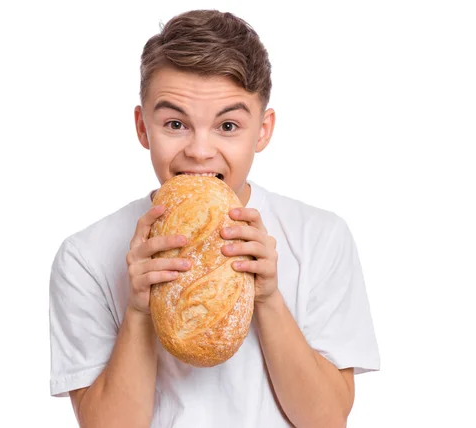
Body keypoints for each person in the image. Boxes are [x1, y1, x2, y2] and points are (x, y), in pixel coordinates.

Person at [49, 9, 380, 428]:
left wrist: (268, 300)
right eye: (175, 124)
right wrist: (137, 311)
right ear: (142, 127)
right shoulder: (85, 256)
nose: (200, 151)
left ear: (262, 130)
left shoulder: (320, 237)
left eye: (227, 125)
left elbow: (327, 420)